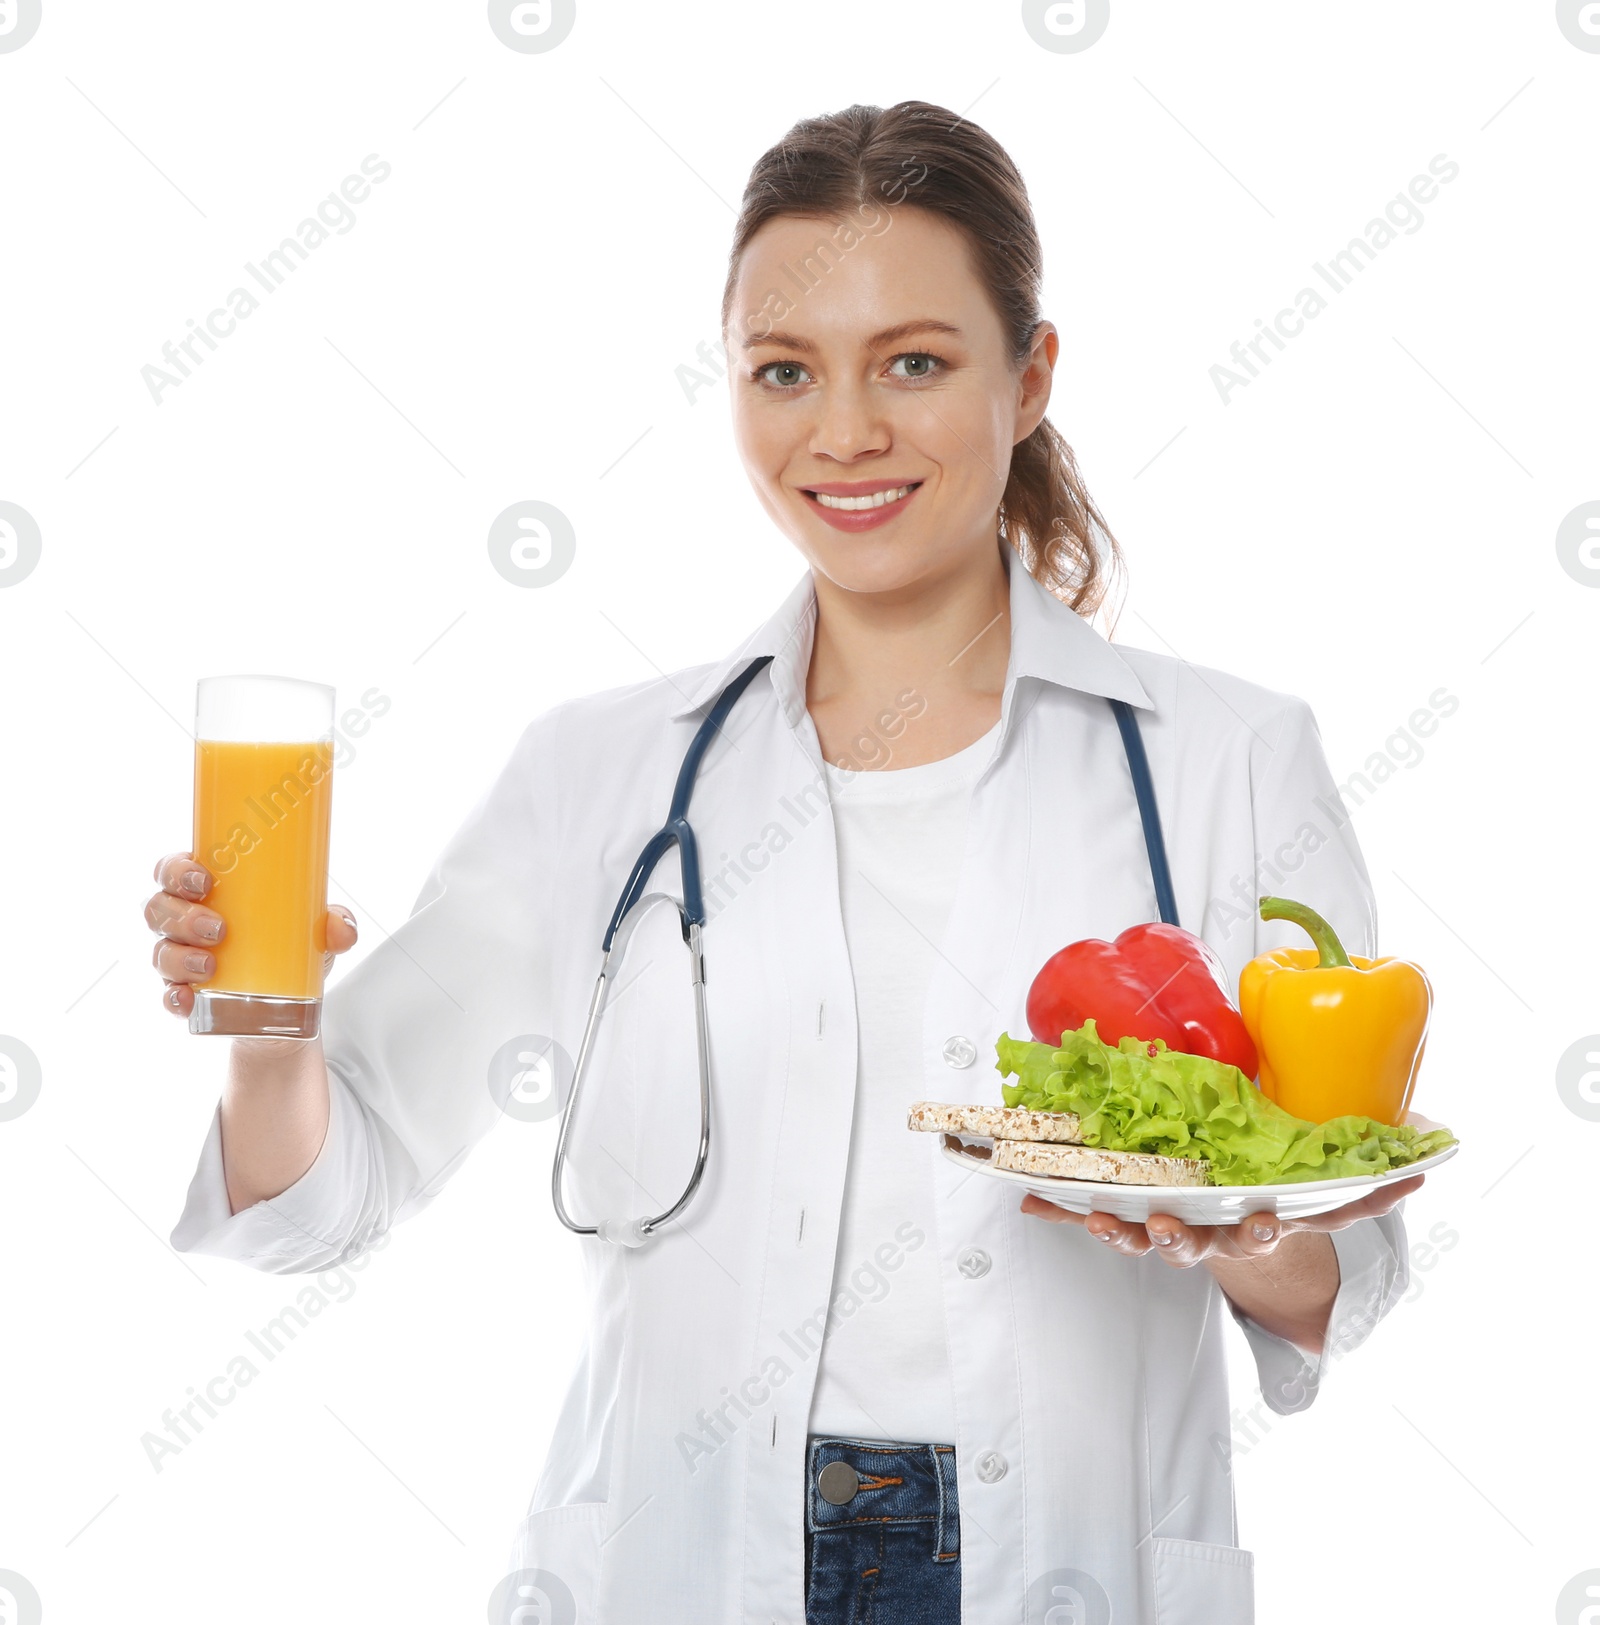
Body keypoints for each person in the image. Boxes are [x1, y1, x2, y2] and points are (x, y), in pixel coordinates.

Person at [146, 100, 1422, 1625]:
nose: (845, 431)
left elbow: (1351, 1269)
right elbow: (317, 1199)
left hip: (1069, 1565)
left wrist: (1236, 1230)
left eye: (916, 363)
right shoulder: (601, 774)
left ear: (1030, 379)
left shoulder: (1226, 759)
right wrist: (266, 1020)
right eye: (783, 372)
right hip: (694, 1561)